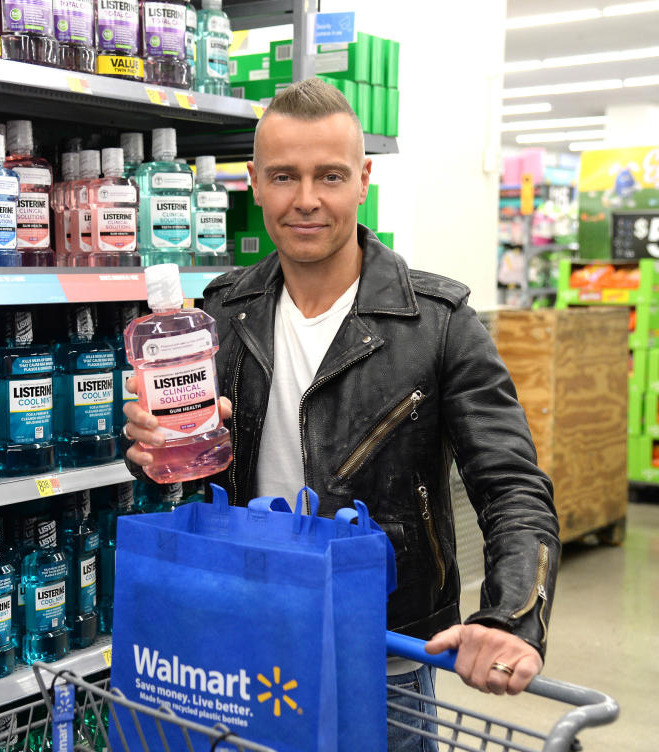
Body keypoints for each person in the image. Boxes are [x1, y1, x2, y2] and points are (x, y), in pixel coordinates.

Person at [123, 77, 559, 751]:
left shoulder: (438, 324)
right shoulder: (222, 312)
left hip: (382, 651)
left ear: (363, 180)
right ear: (254, 184)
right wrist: (163, 451)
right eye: (283, 177)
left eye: (329, 176)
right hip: (241, 632)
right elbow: (197, 475)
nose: (306, 200)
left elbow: (513, 487)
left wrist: (511, 617)